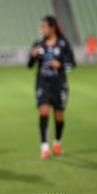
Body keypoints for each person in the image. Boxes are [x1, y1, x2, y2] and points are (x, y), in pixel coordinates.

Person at [28, 15, 76, 159]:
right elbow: (30, 65)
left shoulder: (63, 44)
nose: (41, 30)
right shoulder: (38, 44)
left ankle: (57, 142)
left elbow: (72, 65)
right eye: (40, 27)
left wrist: (60, 66)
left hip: (59, 84)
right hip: (43, 83)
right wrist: (32, 55)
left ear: (52, 28)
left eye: (43, 27)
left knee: (59, 116)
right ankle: (44, 147)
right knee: (43, 112)